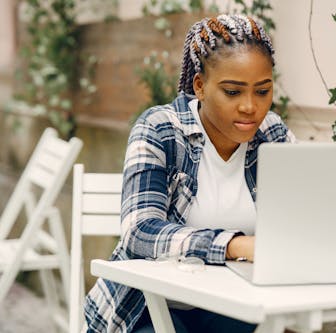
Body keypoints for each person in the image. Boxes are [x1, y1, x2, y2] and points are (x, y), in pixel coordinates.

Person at [83, 14, 295, 333]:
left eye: (262, 91)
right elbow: (140, 231)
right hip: (147, 305)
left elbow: (302, 216)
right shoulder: (161, 129)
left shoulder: (272, 134)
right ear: (200, 86)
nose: (251, 107)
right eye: (233, 92)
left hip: (231, 302)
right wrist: (233, 245)